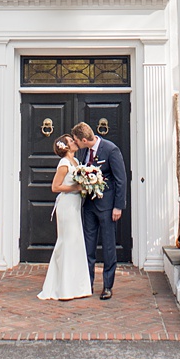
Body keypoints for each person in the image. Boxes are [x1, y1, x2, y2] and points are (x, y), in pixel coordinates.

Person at [72, 121, 127, 300]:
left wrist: (118, 206)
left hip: (107, 206)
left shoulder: (111, 150)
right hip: (89, 206)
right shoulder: (83, 151)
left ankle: (107, 286)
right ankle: (87, 283)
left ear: (83, 139)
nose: (76, 144)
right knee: (88, 245)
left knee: (109, 245)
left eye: (76, 141)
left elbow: (121, 180)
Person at [37, 135, 91, 301]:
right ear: (66, 147)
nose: (75, 142)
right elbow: (55, 187)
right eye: (71, 141)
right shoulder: (64, 164)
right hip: (66, 206)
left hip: (75, 205)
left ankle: (77, 287)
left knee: (76, 243)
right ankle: (64, 289)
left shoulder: (76, 162)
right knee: (67, 242)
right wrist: (76, 187)